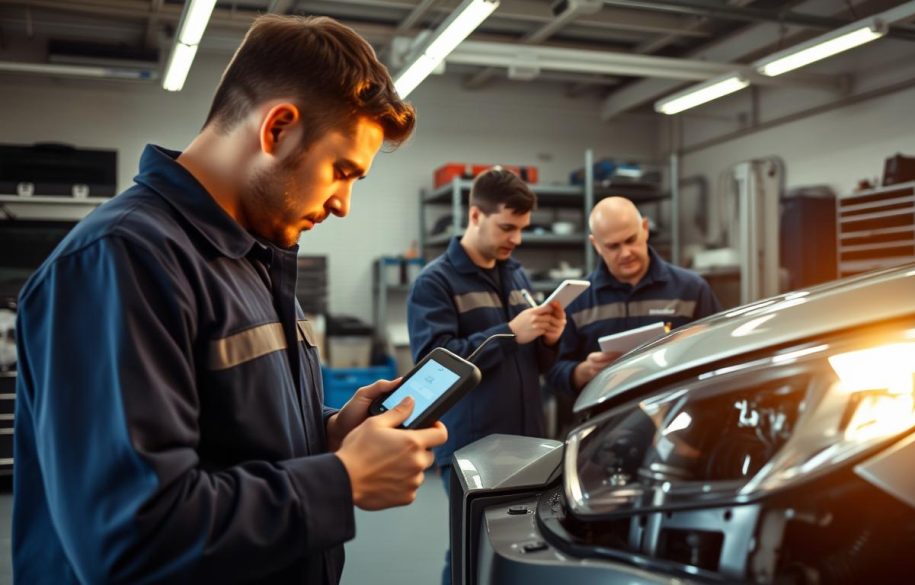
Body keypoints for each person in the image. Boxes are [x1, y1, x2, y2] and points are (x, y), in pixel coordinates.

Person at [13, 15, 446, 584]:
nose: (343, 203)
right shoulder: (120, 261)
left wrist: (326, 434)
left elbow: (220, 434)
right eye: (342, 172)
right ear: (279, 129)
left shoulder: (255, 255)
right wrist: (340, 480)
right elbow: (128, 538)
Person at [406, 168, 566, 584]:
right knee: (471, 549)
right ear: (475, 215)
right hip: (473, 447)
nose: (516, 239)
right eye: (507, 227)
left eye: (522, 229)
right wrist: (510, 333)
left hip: (527, 439)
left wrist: (549, 337)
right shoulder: (435, 282)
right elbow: (433, 370)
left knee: (520, 547)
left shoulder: (515, 273)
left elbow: (537, 360)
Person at [548, 196, 720, 394]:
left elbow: (716, 351)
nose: (626, 253)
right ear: (596, 244)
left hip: (674, 409)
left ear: (645, 228)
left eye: (631, 240)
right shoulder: (577, 299)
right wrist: (584, 371)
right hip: (608, 415)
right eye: (613, 246)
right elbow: (553, 373)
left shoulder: (691, 288)